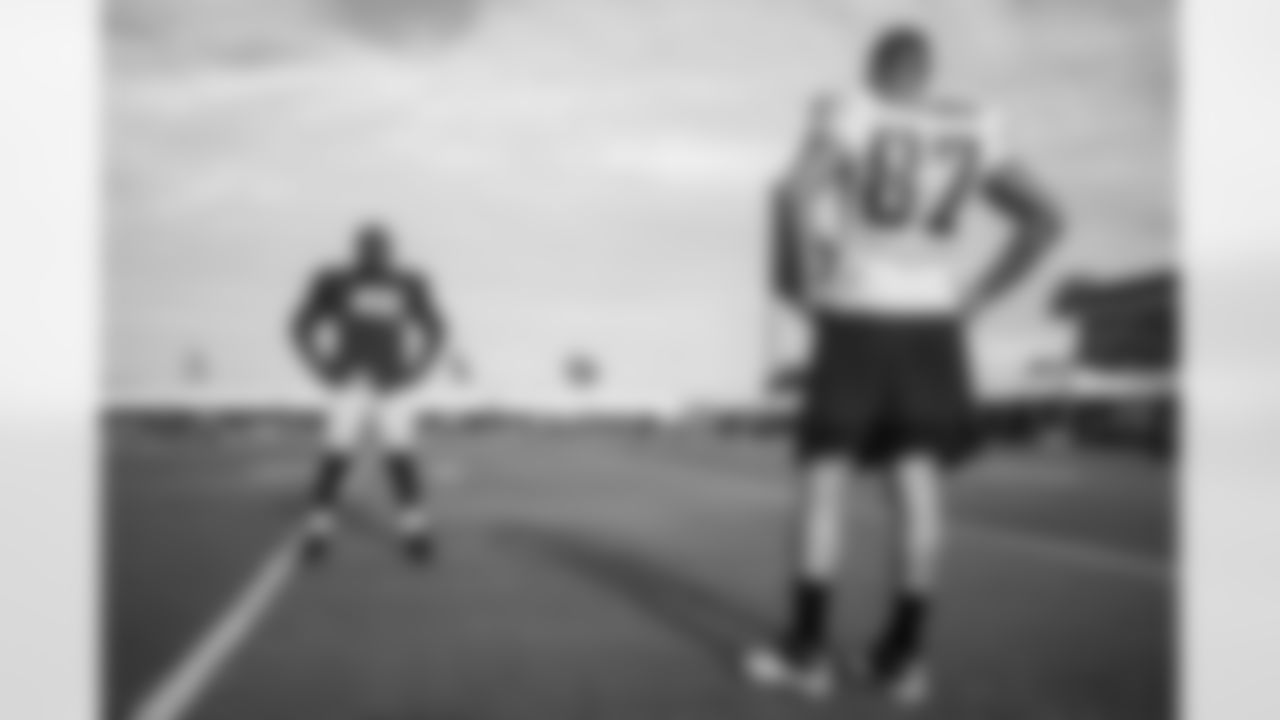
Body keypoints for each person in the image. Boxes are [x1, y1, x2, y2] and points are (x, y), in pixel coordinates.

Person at [745, 24, 1064, 706]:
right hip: (933, 326)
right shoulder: (975, 126)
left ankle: (806, 651)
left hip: (859, 316)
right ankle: (903, 659)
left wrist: (799, 286)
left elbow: (791, 193)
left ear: (874, 69)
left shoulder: (850, 113)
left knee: (824, 485)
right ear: (926, 74)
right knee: (918, 490)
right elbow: (1045, 220)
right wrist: (979, 297)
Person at [291, 223, 449, 564]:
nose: (375, 254)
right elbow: (301, 325)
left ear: (390, 250)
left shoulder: (408, 282)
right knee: (337, 455)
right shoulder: (335, 281)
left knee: (399, 456)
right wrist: (321, 366)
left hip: (391, 382)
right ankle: (318, 530)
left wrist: (416, 371)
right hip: (350, 380)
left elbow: (436, 329)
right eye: (369, 247)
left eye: (380, 248)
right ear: (357, 250)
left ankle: (414, 530)